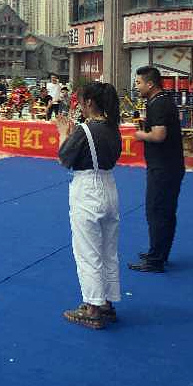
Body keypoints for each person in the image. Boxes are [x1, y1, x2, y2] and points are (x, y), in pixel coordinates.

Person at [56, 82, 123, 329]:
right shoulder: (113, 128)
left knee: (87, 251)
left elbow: (64, 158)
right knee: (108, 251)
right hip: (109, 186)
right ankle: (107, 302)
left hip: (87, 189)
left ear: (89, 102)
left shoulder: (85, 130)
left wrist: (63, 133)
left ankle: (92, 307)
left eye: (81, 101)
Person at [128, 66, 185, 273]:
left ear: (150, 84)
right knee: (165, 211)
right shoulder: (160, 101)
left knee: (157, 211)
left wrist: (140, 135)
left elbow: (159, 135)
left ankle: (155, 260)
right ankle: (160, 253)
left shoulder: (159, 103)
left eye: (139, 82)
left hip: (164, 167)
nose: (137, 86)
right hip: (168, 165)